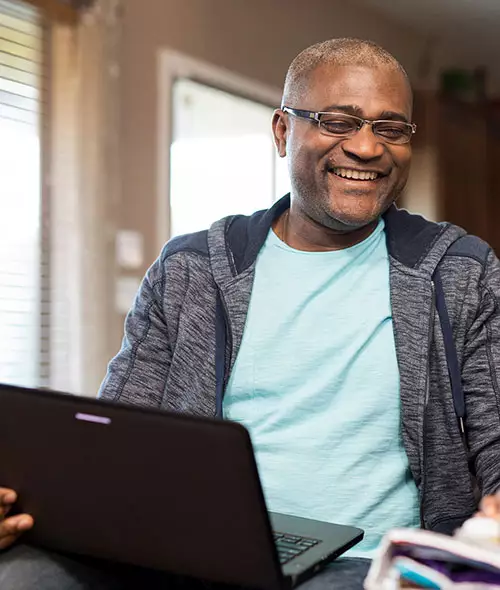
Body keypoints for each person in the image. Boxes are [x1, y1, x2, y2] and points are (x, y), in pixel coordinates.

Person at [1, 38, 499, 589]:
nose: (366, 147)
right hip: (189, 547)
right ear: (283, 132)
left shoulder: (459, 272)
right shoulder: (191, 268)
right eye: (338, 121)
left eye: (390, 128)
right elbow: (118, 434)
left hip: (365, 564)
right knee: (21, 575)